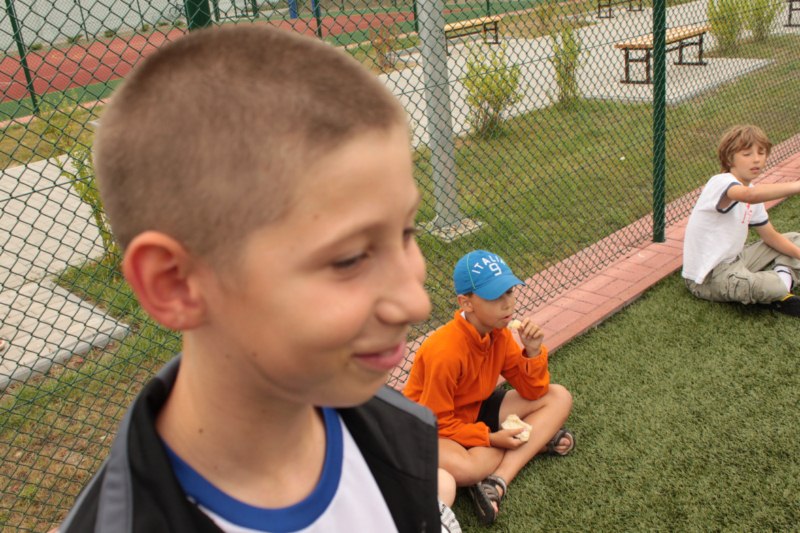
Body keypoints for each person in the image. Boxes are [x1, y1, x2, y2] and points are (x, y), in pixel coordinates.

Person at [56, 24, 454, 532]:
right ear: (175, 284)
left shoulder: (392, 432)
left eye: (406, 231)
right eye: (350, 258)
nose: (417, 303)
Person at [403, 249, 575, 525]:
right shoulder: (444, 351)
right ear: (466, 303)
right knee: (468, 469)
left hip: (474, 410)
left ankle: (496, 480)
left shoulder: (500, 334)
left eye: (510, 292)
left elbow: (534, 391)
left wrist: (532, 352)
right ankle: (534, 442)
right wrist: (492, 438)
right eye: (495, 297)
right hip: (431, 428)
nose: (508, 304)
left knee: (558, 396)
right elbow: (437, 421)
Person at [682, 124, 800, 316]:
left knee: (795, 239)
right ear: (729, 158)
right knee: (773, 286)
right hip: (707, 278)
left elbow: (770, 237)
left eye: (761, 153)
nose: (756, 159)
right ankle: (780, 288)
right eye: (747, 154)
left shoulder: (751, 190)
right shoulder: (720, 182)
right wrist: (797, 186)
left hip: (737, 260)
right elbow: (749, 196)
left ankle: (781, 286)